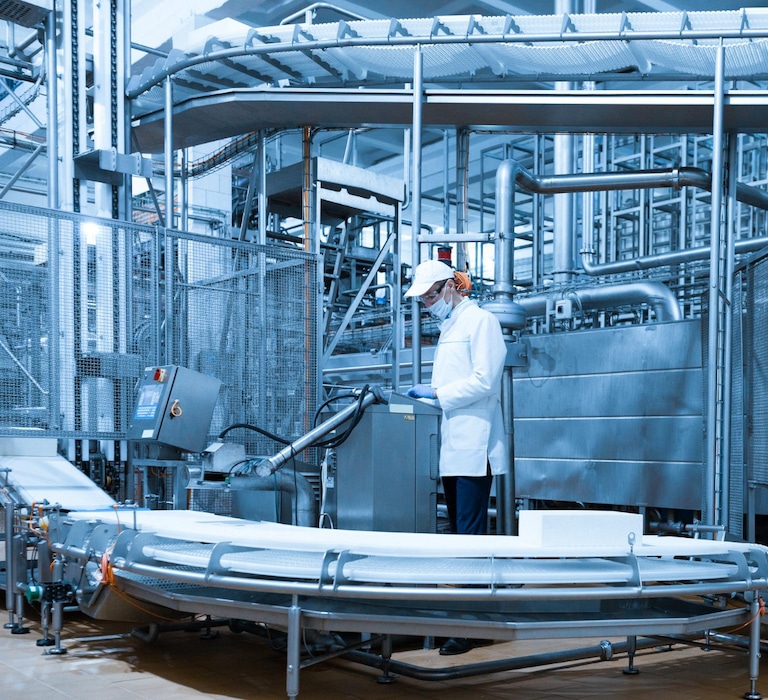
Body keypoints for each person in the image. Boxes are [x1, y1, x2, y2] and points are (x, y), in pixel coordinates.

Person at [405, 258, 509, 656]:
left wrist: (437, 395)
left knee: (470, 538)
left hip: (475, 446)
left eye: (430, 296)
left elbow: (485, 380)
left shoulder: (481, 321)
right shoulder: (452, 327)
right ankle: (468, 621)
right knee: (462, 537)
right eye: (424, 300)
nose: (428, 305)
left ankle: (470, 626)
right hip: (454, 445)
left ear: (451, 286)